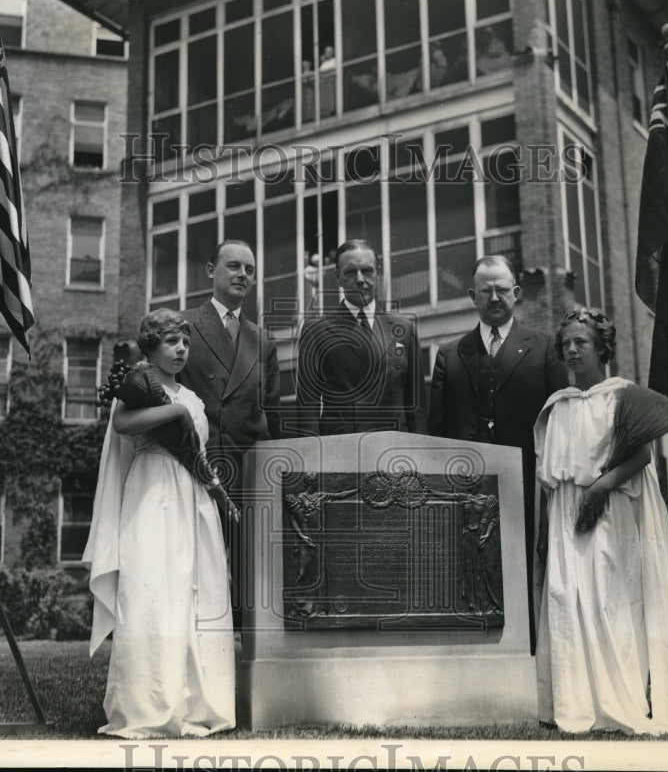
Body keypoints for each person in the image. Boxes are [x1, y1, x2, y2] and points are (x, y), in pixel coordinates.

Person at [533, 308, 668, 735]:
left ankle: (619, 699)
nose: (572, 350)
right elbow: (550, 479)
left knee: (608, 596)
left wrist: (598, 489)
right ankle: (576, 701)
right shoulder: (557, 408)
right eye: (566, 345)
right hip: (565, 515)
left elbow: (641, 456)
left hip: (610, 510)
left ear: (602, 348)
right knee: (565, 594)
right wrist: (546, 529)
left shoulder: (623, 396)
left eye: (582, 342)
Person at [84, 309, 235, 738]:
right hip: (151, 493)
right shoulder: (139, 388)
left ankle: (195, 706)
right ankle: (147, 707)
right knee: (152, 592)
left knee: (195, 594)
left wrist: (214, 488)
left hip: (191, 498)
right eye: (171, 342)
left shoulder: (193, 398)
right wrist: (172, 415)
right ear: (150, 347)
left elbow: (197, 452)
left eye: (185, 342)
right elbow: (124, 423)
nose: (181, 349)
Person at [428, 255, 567, 652]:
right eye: (485, 290)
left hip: (526, 487)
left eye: (502, 289)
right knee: (469, 571)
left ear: (517, 294)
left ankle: (527, 655)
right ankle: (474, 657)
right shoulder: (451, 355)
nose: (494, 297)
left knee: (524, 568)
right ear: (472, 296)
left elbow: (559, 424)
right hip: (465, 491)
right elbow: (436, 431)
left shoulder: (544, 349)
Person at [179, 240, 281, 626]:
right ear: (211, 271)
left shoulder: (262, 339)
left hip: (248, 474)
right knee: (196, 570)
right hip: (196, 469)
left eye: (250, 270)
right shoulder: (184, 326)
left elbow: (272, 414)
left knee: (251, 576)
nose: (242, 275)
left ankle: (250, 663)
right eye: (233, 266)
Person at [295, 239, 426, 436]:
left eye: (367, 271)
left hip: (395, 448)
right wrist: (311, 459)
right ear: (338, 278)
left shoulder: (404, 329)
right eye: (350, 272)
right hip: (342, 448)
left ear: (378, 273)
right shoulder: (316, 330)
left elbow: (417, 408)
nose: (359, 279)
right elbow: (307, 408)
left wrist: (420, 457)